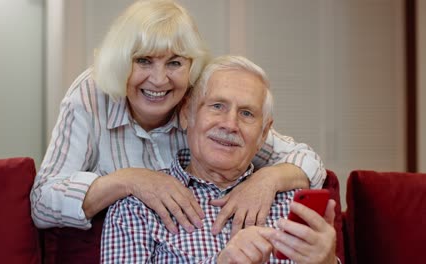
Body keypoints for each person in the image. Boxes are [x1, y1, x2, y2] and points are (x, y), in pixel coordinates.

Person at [30, 0, 326, 237]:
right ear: (121, 61)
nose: (159, 80)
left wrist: (267, 179)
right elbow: (42, 202)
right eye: (143, 60)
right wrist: (129, 180)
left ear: (191, 67)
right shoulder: (91, 94)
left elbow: (306, 160)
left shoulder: (204, 105)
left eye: (174, 63)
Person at [100, 55, 337, 264]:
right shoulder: (138, 206)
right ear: (187, 114)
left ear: (263, 133)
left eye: (246, 113)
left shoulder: (292, 206)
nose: (230, 124)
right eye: (217, 106)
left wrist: (326, 262)